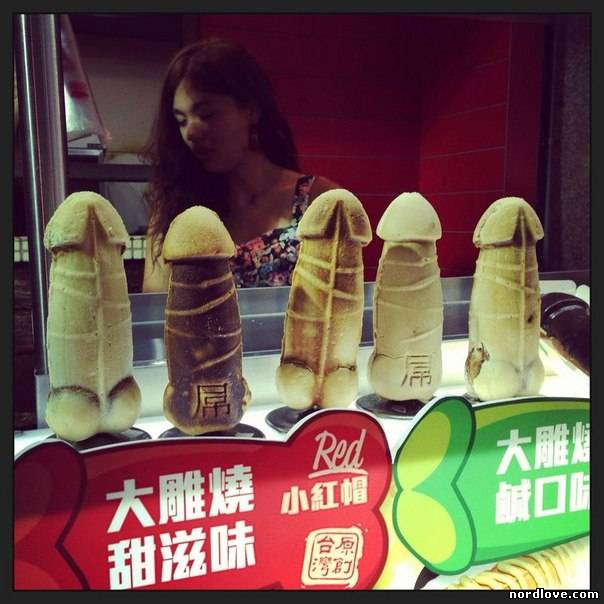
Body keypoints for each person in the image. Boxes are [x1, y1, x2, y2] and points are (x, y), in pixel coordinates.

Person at [142, 37, 339, 292]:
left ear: (251, 110)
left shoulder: (318, 201)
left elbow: (340, 300)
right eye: (181, 121)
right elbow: (156, 304)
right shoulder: (174, 208)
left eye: (207, 114)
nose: (190, 132)